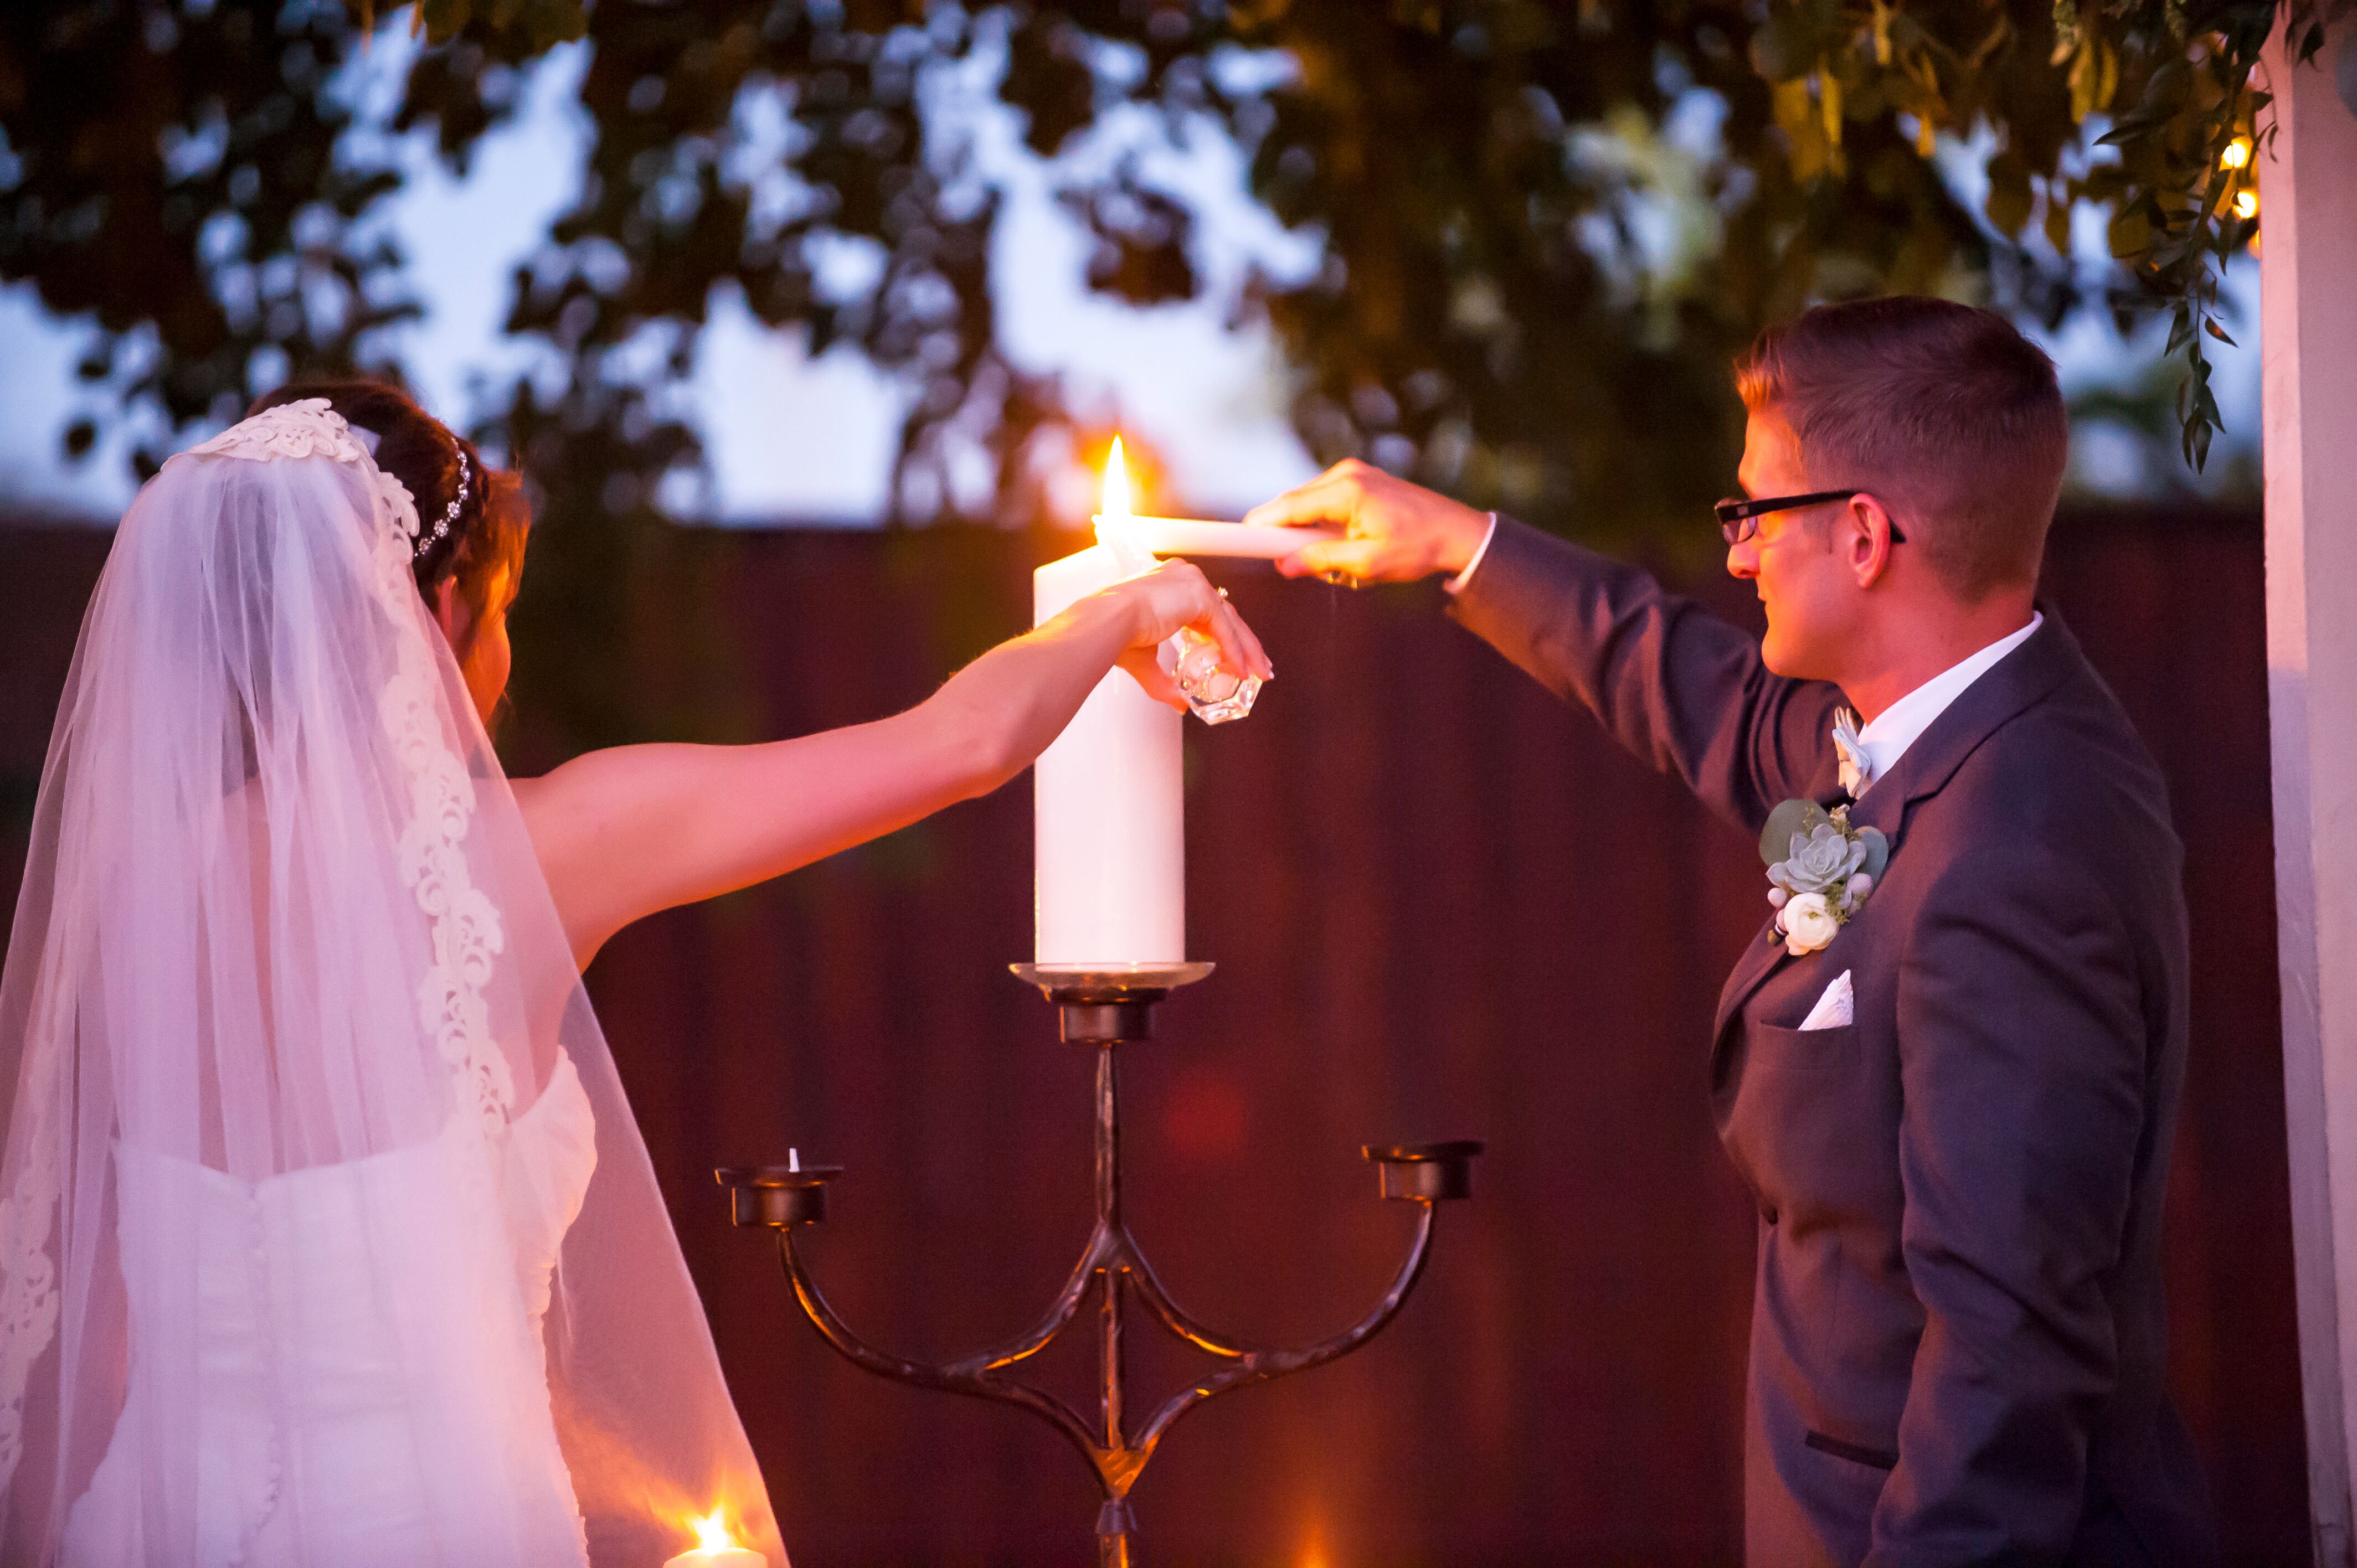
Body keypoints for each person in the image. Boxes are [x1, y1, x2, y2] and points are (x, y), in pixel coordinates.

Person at [0, 382, 1267, 1568]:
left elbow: (108, 1335)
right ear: (434, 614)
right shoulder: (551, 846)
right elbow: (961, 744)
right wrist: (1131, 607)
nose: (502, 665)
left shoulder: (129, 893)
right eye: (501, 616)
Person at [1249, 297, 2217, 1565]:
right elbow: (1687, 690)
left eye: (1756, 510)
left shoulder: (2016, 853)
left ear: (1864, 535)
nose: (1740, 552)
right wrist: (1455, 545)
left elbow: (2009, 1357)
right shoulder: (1907, 737)